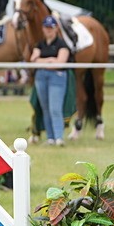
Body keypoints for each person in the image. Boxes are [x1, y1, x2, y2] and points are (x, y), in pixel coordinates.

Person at [29, 15, 71, 145]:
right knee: (45, 108)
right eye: (46, 27)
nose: (48, 30)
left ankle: (59, 137)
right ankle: (50, 138)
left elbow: (60, 63)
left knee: (55, 108)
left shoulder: (61, 44)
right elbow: (33, 60)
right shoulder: (39, 44)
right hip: (41, 77)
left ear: (56, 28)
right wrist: (50, 60)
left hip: (57, 78)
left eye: (51, 28)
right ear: (43, 28)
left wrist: (42, 61)